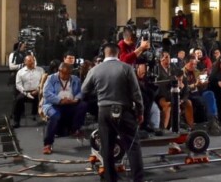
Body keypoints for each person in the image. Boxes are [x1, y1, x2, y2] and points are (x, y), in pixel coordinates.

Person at [82, 43, 144, 182]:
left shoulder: (95, 70)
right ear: (118, 53)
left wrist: (98, 96)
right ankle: (138, 179)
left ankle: (110, 179)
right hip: (124, 111)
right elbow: (136, 93)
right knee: (133, 147)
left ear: (104, 53)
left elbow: (84, 91)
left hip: (103, 111)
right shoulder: (126, 68)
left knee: (107, 148)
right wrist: (140, 112)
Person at [41, 63, 88, 154]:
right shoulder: (51, 79)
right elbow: (46, 94)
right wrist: (60, 100)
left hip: (70, 103)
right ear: (59, 71)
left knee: (83, 105)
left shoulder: (75, 79)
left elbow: (80, 92)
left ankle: (75, 129)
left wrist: (76, 99)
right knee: (55, 116)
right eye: (64, 73)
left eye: (68, 74)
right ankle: (48, 143)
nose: (66, 76)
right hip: (53, 104)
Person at [13, 55, 45, 128]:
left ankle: (45, 118)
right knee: (18, 100)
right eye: (30, 61)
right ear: (25, 62)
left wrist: (37, 90)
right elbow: (18, 85)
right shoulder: (20, 72)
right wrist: (26, 93)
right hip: (25, 92)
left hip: (38, 91)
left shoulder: (40, 70)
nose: (32, 62)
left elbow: (43, 82)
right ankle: (16, 121)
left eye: (33, 60)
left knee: (46, 97)